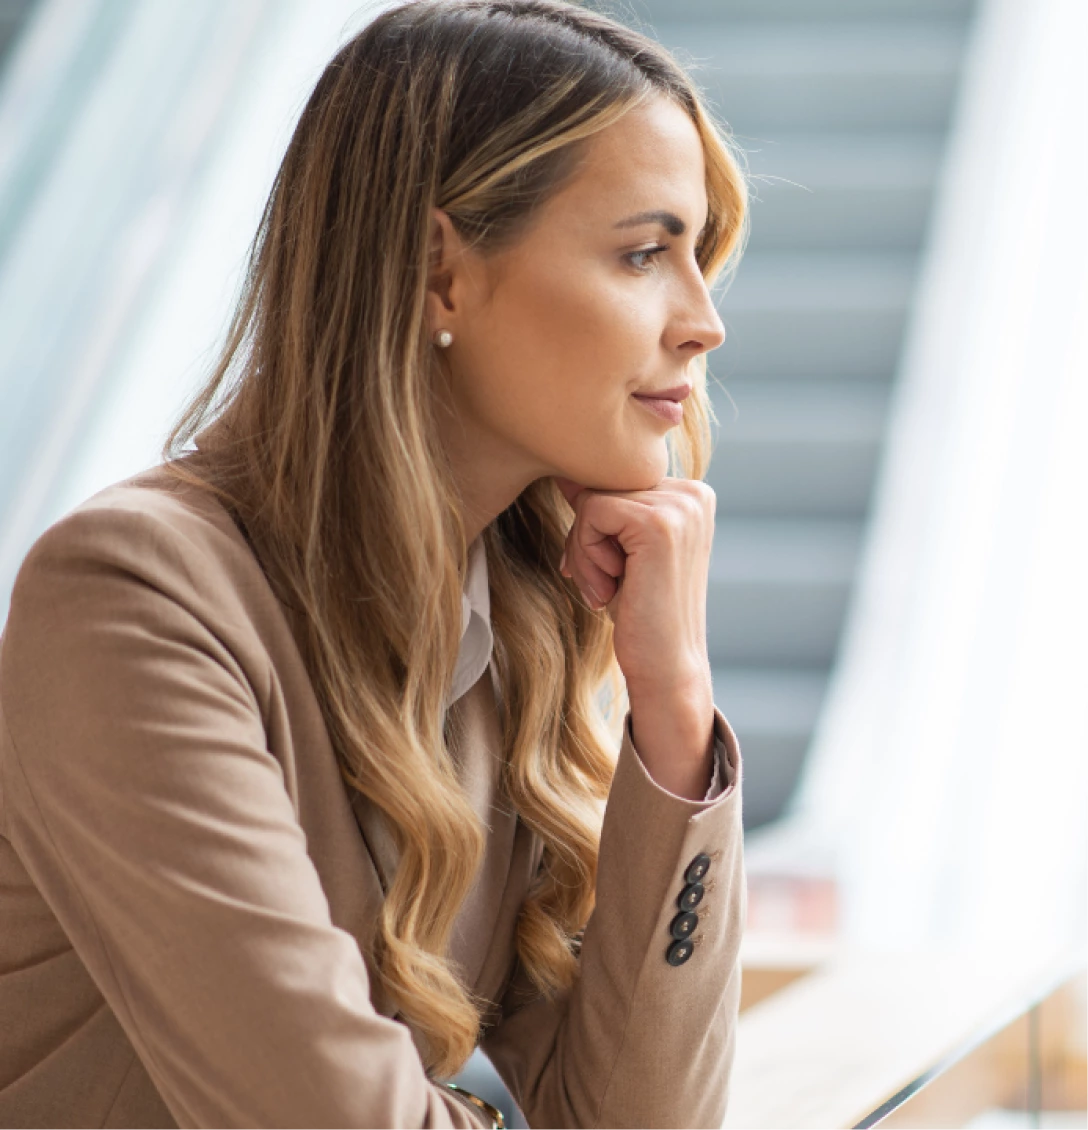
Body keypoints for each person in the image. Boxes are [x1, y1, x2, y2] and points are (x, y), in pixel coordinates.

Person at [0, 1, 749, 1126]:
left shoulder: (511, 625)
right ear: (438, 270)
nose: (703, 322)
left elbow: (646, 1118)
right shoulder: (131, 599)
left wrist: (675, 708)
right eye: (644, 252)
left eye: (699, 257)